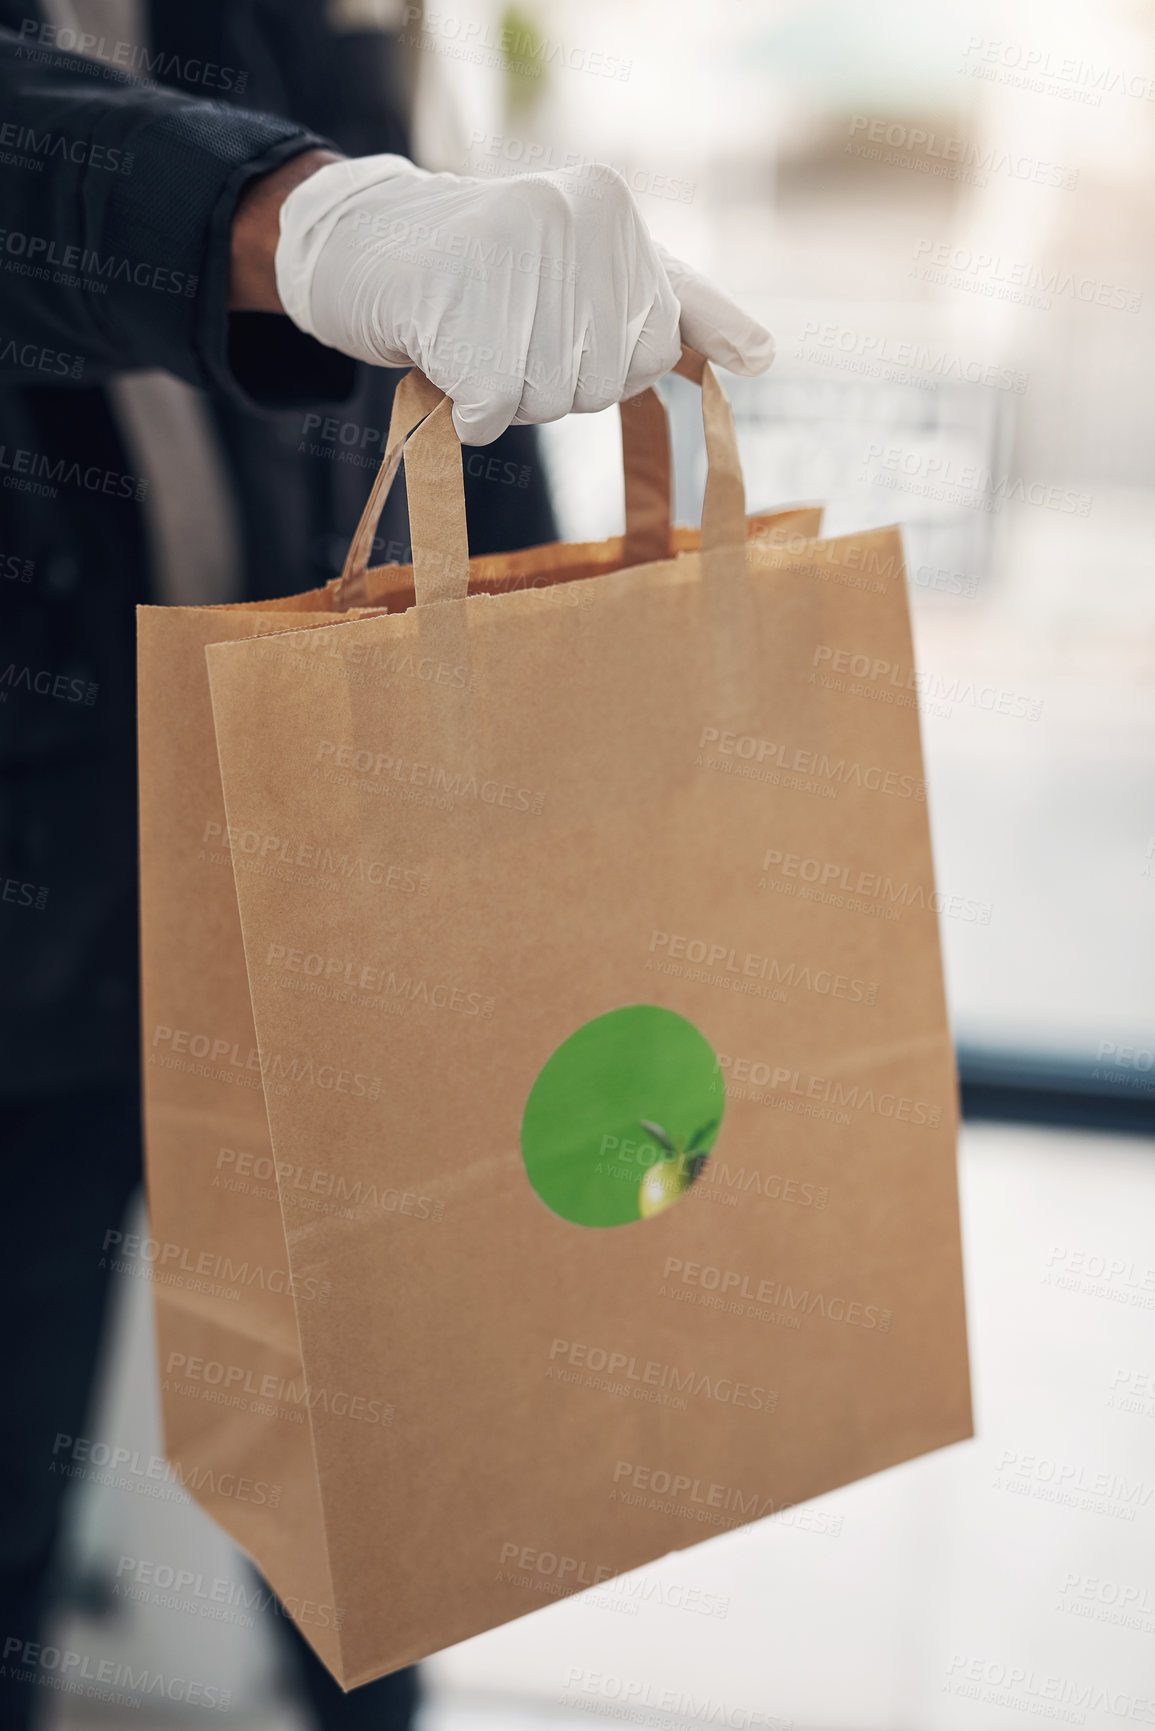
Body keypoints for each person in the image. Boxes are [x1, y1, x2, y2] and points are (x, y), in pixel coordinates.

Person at [0, 3, 772, 1726]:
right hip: (38, 914)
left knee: (383, 1512)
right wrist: (299, 219)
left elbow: (424, 345)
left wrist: (550, 685)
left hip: (326, 875)